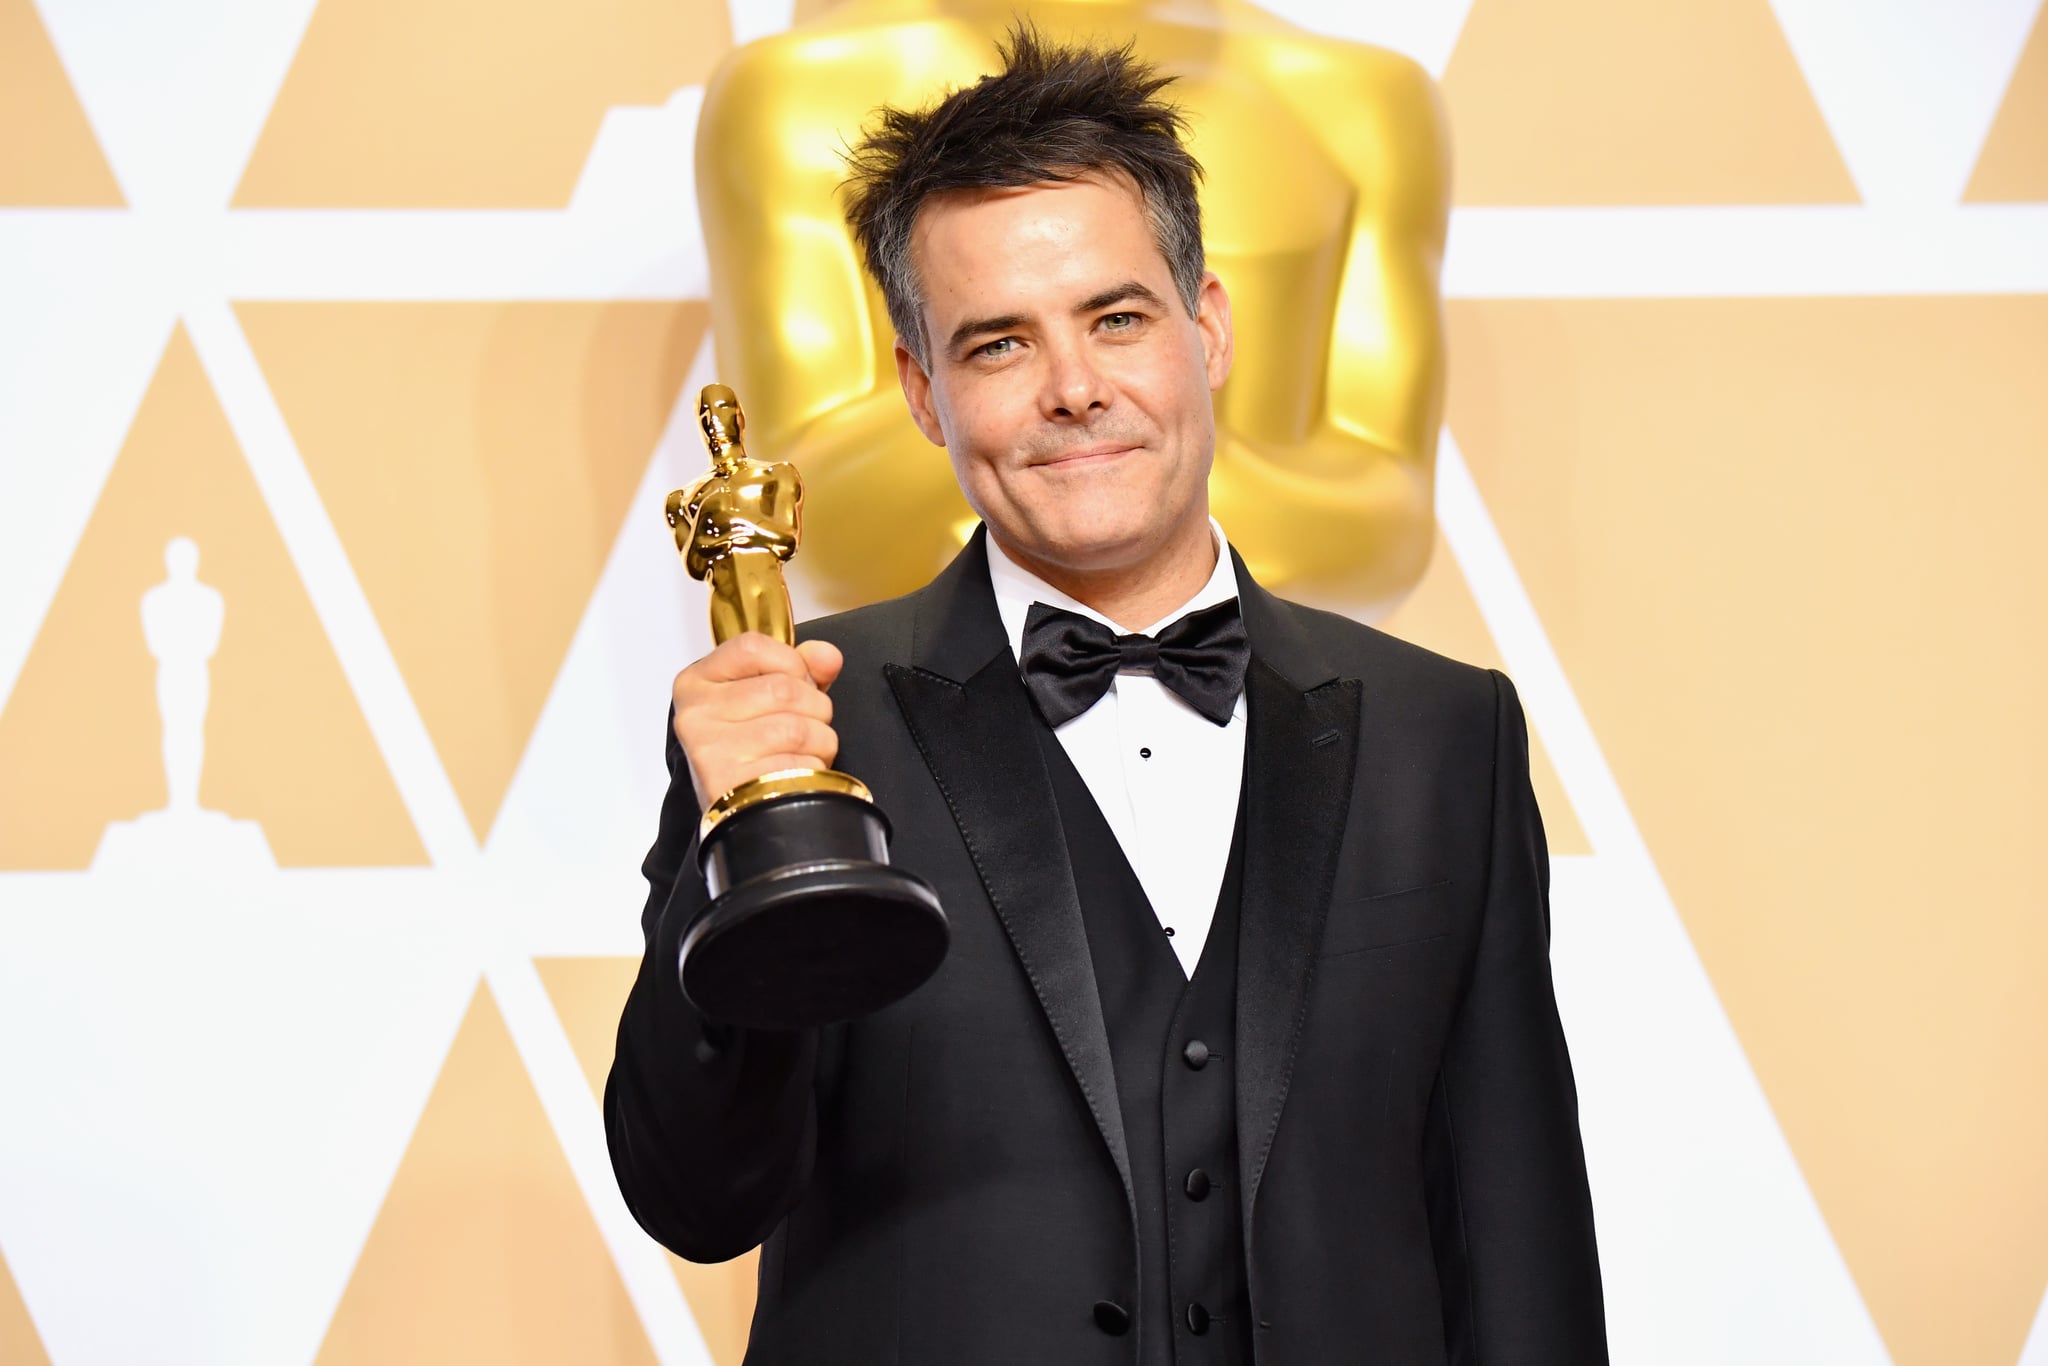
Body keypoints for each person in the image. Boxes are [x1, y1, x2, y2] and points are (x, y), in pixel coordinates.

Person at [606, 27, 1606, 1366]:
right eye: (998, 344)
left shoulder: (1447, 734)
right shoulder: (801, 721)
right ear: (921, 393)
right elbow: (700, 1194)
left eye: (1117, 318)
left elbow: (1516, 1245)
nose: (1074, 390)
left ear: (1209, 328)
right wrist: (740, 860)